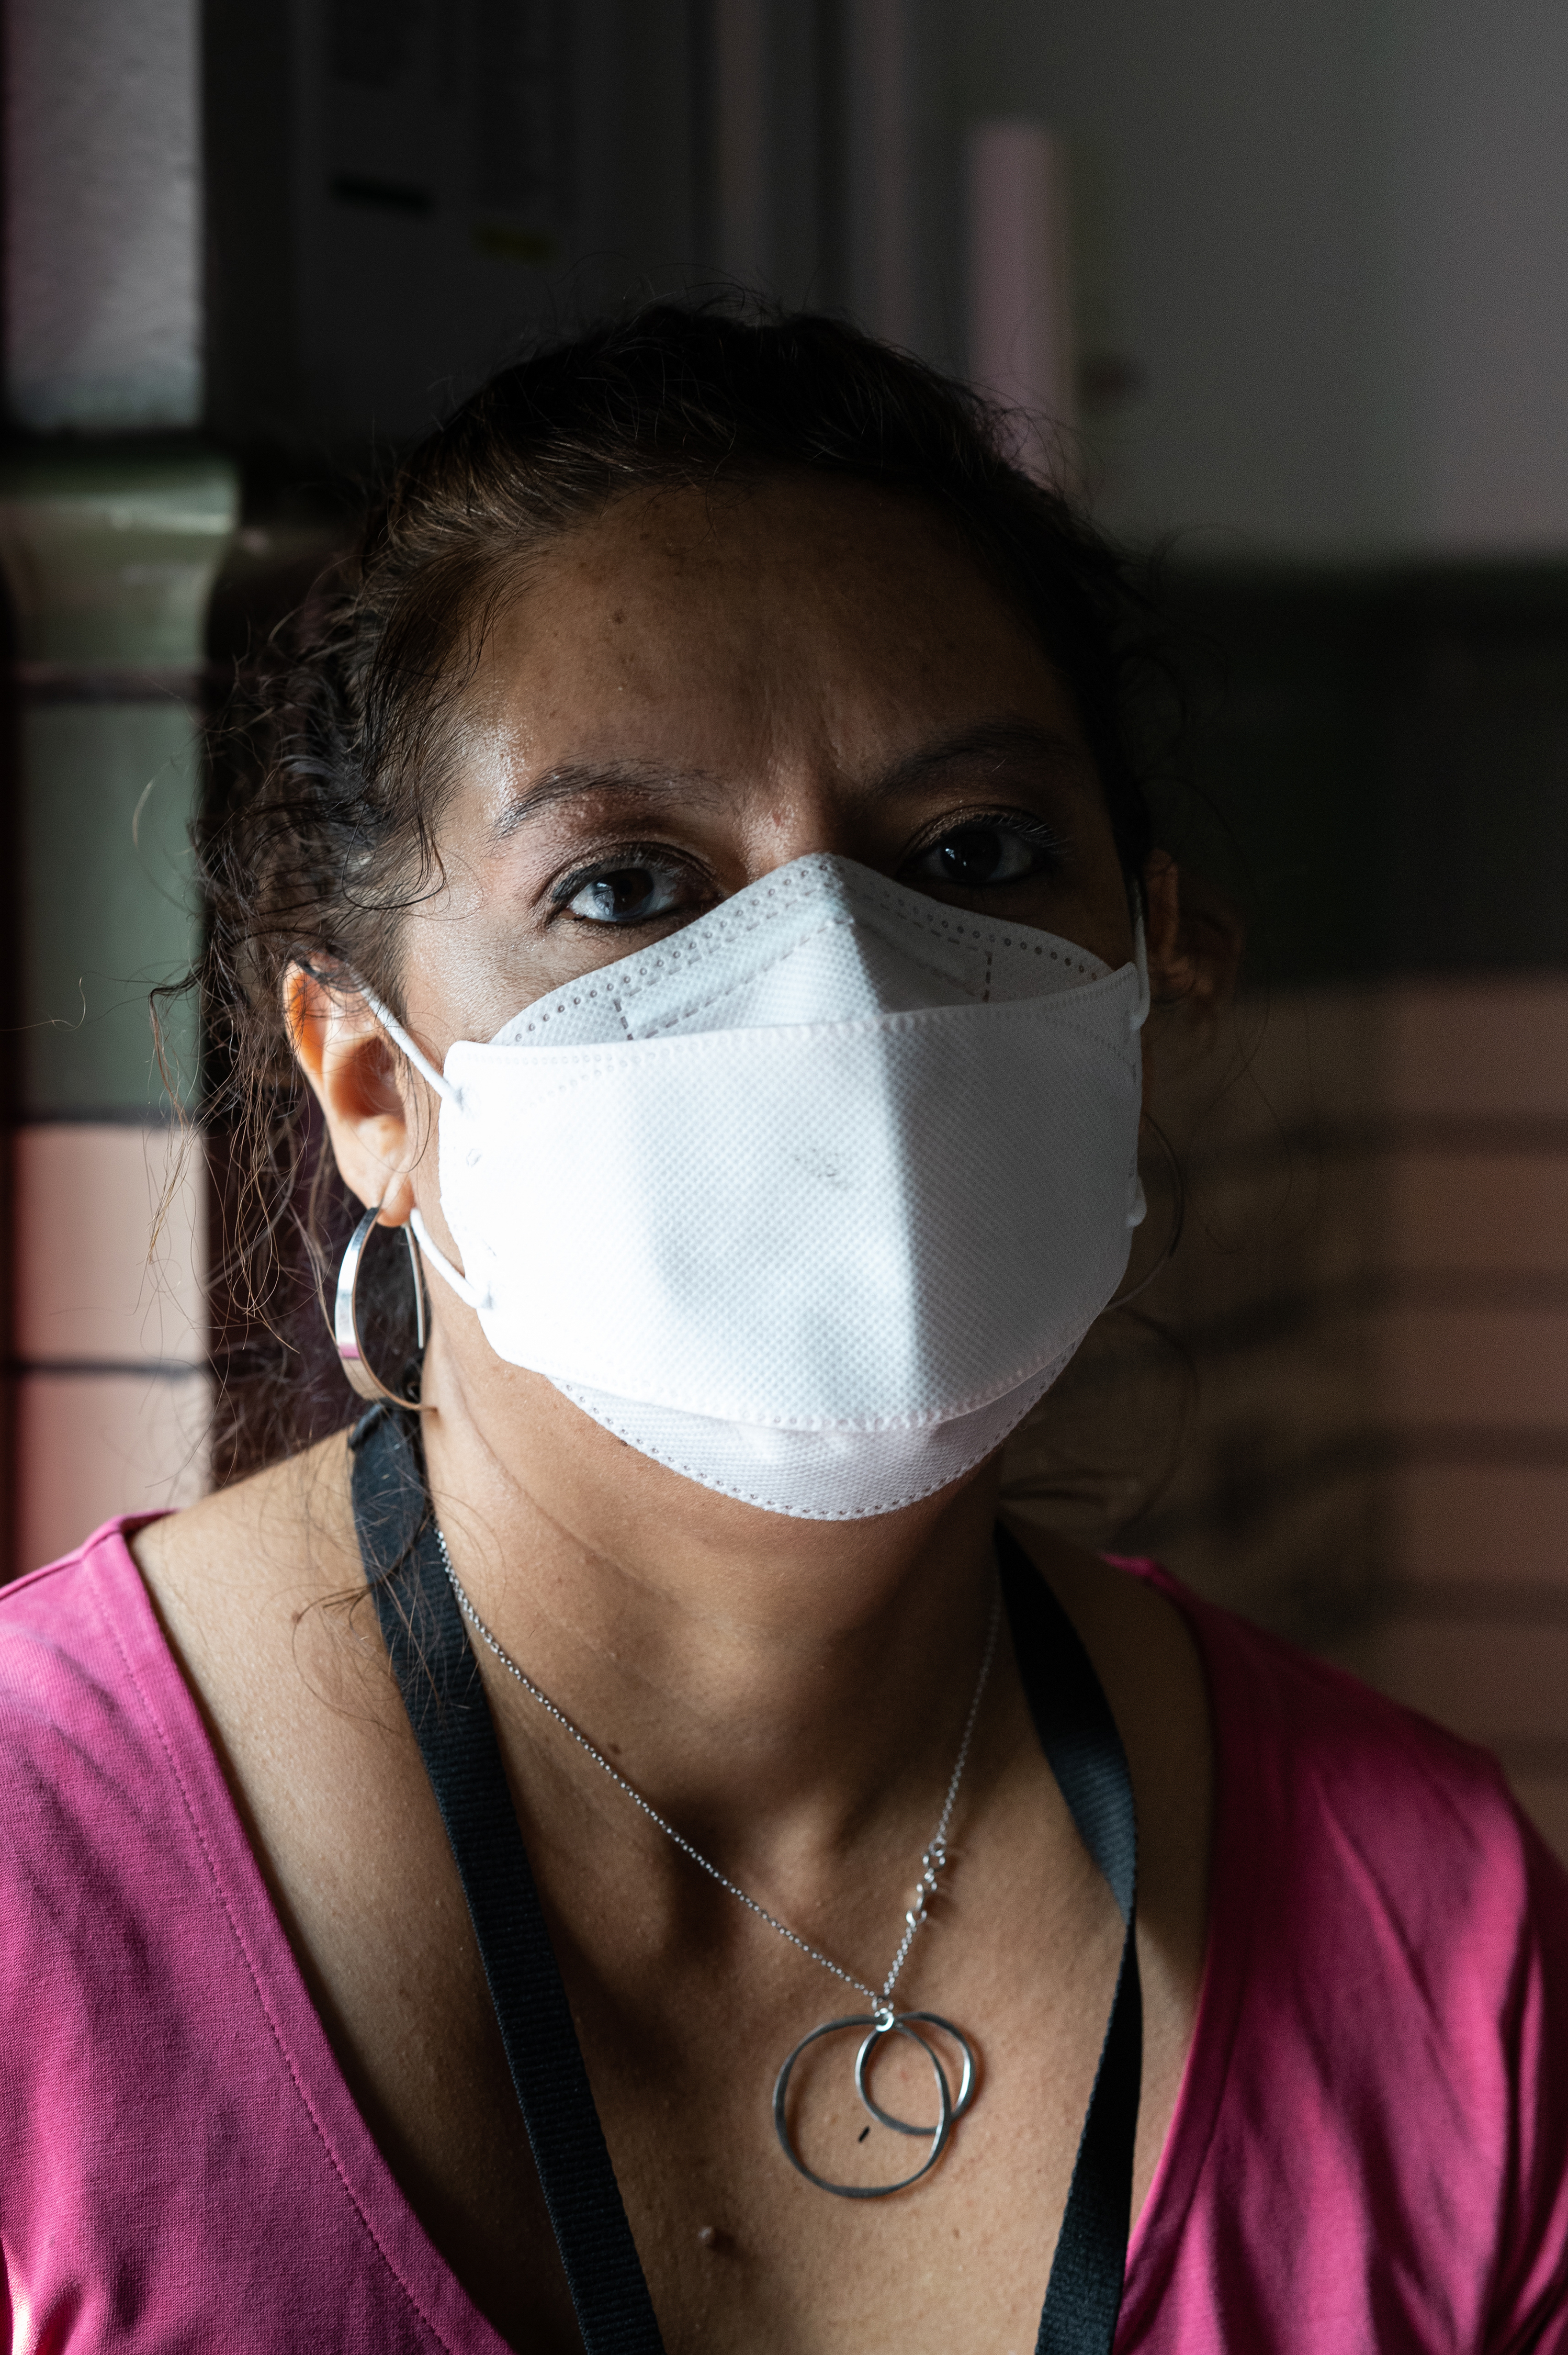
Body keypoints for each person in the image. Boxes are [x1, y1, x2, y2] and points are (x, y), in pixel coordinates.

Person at [2, 307, 1565, 2355]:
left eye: (976, 855)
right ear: (371, 1085)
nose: (838, 993)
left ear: (1149, 969)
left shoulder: (1441, 1941)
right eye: (629, 887)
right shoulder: (32, 1894)